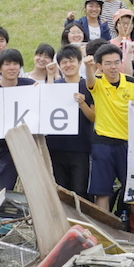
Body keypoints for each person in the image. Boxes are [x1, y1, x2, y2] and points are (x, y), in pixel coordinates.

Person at [83, 43, 134, 215]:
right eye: (108, 63)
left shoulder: (133, 84)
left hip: (128, 144)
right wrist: (88, 67)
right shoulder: (98, 83)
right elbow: (89, 81)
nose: (113, 67)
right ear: (99, 66)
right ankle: (104, 227)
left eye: (116, 62)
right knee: (102, 191)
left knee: (133, 190)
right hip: (103, 143)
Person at [45, 45, 96, 197]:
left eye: (71, 61)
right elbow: (47, 106)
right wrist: (49, 76)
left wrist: (82, 103)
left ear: (79, 63)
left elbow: (93, 117)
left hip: (80, 148)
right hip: (56, 147)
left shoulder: (88, 86)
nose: (68, 65)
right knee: (60, 191)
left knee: (80, 190)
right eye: (64, 62)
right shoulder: (56, 85)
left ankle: (81, 221)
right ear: (59, 66)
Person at [0, 48, 35, 190]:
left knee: (33, 187)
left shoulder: (30, 85)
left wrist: (40, 92)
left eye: (15, 64)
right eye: (7, 64)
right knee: (6, 186)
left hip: (29, 144)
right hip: (5, 146)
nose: (12, 67)